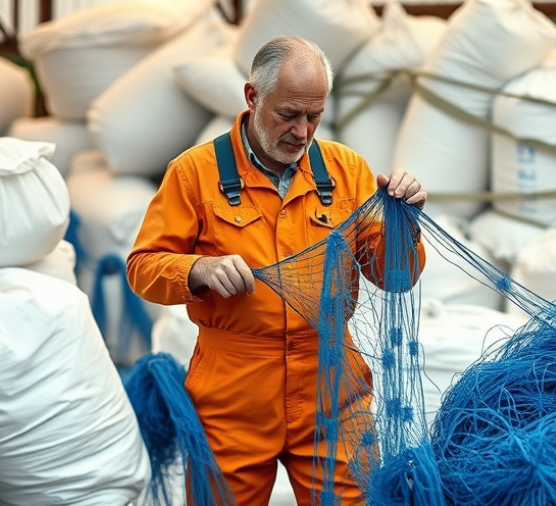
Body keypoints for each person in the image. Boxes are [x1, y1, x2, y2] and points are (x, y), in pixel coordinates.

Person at [127, 36, 427, 504]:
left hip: (333, 392)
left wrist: (404, 224)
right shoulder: (194, 173)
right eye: (288, 114)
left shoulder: (347, 171)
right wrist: (198, 269)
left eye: (314, 116)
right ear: (252, 97)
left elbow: (395, 277)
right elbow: (143, 267)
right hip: (233, 395)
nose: (302, 131)